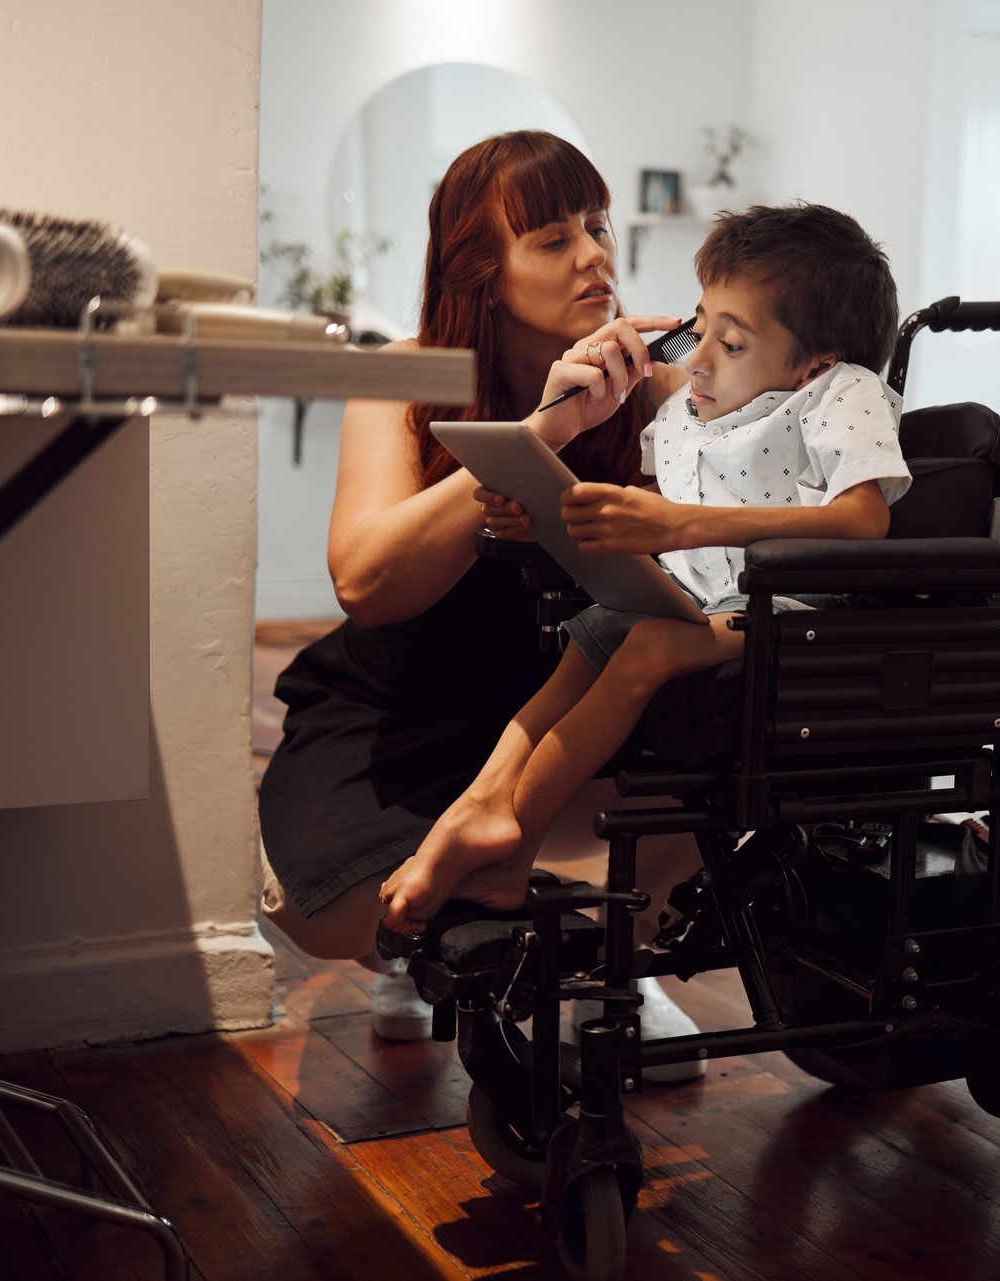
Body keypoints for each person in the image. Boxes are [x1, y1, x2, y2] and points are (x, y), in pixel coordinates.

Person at [257, 131, 703, 1067]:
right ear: (482, 272)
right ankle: (430, 953)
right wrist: (540, 433)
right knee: (319, 902)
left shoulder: (652, 382)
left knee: (738, 777)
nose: (593, 255)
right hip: (399, 712)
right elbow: (365, 583)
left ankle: (625, 968)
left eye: (597, 225)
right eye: (550, 239)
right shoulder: (402, 378)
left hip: (560, 721)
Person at [379, 202, 910, 934]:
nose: (697, 357)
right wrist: (554, 515)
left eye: (731, 341)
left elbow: (863, 521)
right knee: (590, 634)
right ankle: (483, 813)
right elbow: (658, 507)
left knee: (648, 645)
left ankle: (511, 836)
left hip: (805, 608)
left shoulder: (840, 392)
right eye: (701, 325)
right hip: (714, 602)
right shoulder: (696, 411)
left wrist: (684, 523)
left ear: (813, 361)